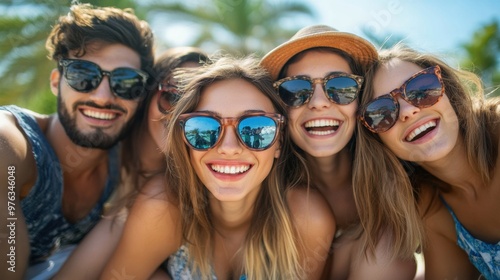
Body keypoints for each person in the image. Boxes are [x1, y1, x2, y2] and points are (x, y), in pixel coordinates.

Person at [100, 56, 336, 279]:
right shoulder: (163, 208)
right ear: (184, 141)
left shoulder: (306, 220)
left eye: (255, 128)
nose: (229, 147)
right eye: (204, 128)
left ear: (278, 143)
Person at [0, 3, 154, 279]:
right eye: (83, 75)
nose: (103, 97)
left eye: (127, 82)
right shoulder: (12, 143)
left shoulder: (128, 160)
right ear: (56, 81)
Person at [261, 25, 423, 279]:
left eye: (341, 87)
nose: (319, 102)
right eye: (295, 90)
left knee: (386, 247)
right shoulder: (262, 181)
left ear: (362, 99)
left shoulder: (402, 170)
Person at [54, 47, 208, 279]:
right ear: (146, 94)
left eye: (198, 107)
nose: (181, 115)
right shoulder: (102, 145)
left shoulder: (168, 192)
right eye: (173, 96)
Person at [357, 44, 500, 279]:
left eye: (420, 89)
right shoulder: (432, 206)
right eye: (381, 112)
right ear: (377, 141)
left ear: (448, 90)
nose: (407, 111)